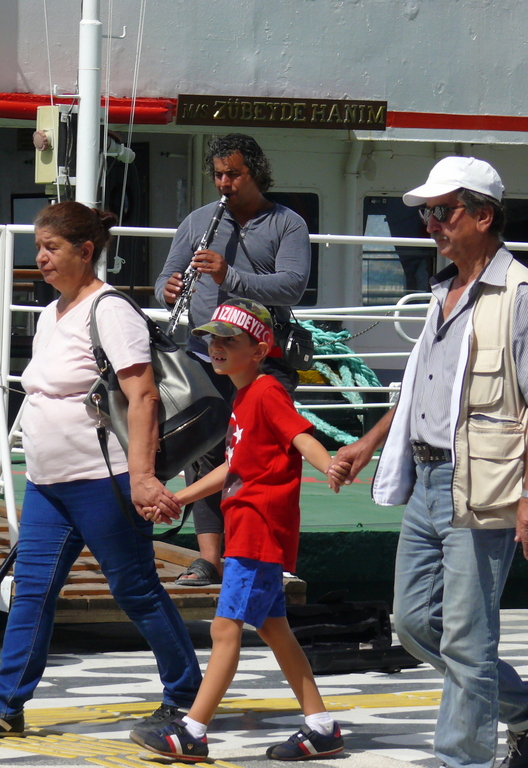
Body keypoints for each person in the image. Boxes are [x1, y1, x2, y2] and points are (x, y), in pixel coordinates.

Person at [329, 157, 528, 768]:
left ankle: (460, 760)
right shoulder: (443, 293)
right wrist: (370, 442)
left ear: (484, 215)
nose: (431, 224)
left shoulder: (520, 295)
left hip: (486, 485)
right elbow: (421, 389)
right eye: (427, 213)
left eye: (443, 211)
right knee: (413, 624)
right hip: (428, 479)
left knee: (469, 638)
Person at [0, 201, 202, 737]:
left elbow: (142, 395)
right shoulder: (51, 313)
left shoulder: (109, 310)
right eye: (38, 247)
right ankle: (4, 704)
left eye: (52, 248)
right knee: (33, 590)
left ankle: (185, 695)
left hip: (102, 479)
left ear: (85, 251)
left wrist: (141, 477)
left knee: (134, 588)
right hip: (48, 484)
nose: (40, 258)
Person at [132, 298, 346, 763]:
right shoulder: (244, 396)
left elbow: (300, 435)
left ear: (260, 349)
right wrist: (179, 498)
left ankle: (193, 730)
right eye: (213, 338)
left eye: (231, 340)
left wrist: (330, 465)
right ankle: (321, 727)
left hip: (258, 528)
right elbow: (235, 466)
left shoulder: (267, 391)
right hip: (250, 527)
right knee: (273, 628)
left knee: (226, 628)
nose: (217, 347)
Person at [154, 133, 311, 588]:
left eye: (234, 174)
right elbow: (169, 275)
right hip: (207, 352)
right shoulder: (200, 220)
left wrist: (231, 276)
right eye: (219, 174)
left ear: (255, 173)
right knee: (202, 453)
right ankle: (209, 560)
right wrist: (167, 289)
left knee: (260, 453)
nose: (225, 183)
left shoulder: (287, 224)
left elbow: (293, 287)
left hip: (264, 356)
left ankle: (265, 553)